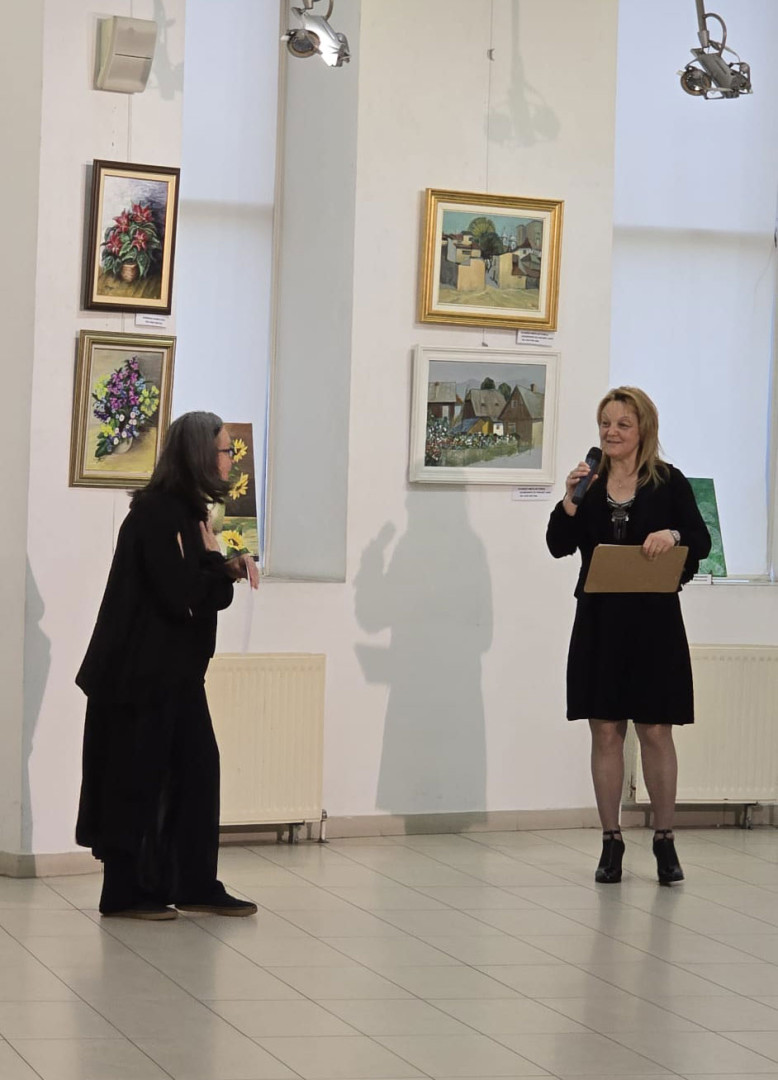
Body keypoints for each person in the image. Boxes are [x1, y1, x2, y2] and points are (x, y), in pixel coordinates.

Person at [75, 411, 260, 919]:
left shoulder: (189, 513)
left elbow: (197, 587)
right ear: (199, 455)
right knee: (136, 779)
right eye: (225, 450)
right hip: (137, 678)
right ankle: (125, 893)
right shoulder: (156, 514)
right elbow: (179, 595)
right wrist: (220, 573)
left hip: (174, 675)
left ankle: (194, 883)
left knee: (196, 773)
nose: (231, 459)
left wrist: (221, 567)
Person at [546, 387, 710, 885]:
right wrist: (569, 502)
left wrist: (672, 535)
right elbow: (557, 544)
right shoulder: (589, 485)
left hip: (654, 623)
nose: (611, 432)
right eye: (605, 423)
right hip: (600, 622)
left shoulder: (669, 482)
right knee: (605, 730)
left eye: (622, 424)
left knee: (656, 731)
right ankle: (611, 841)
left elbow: (700, 539)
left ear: (644, 430)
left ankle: (664, 839)